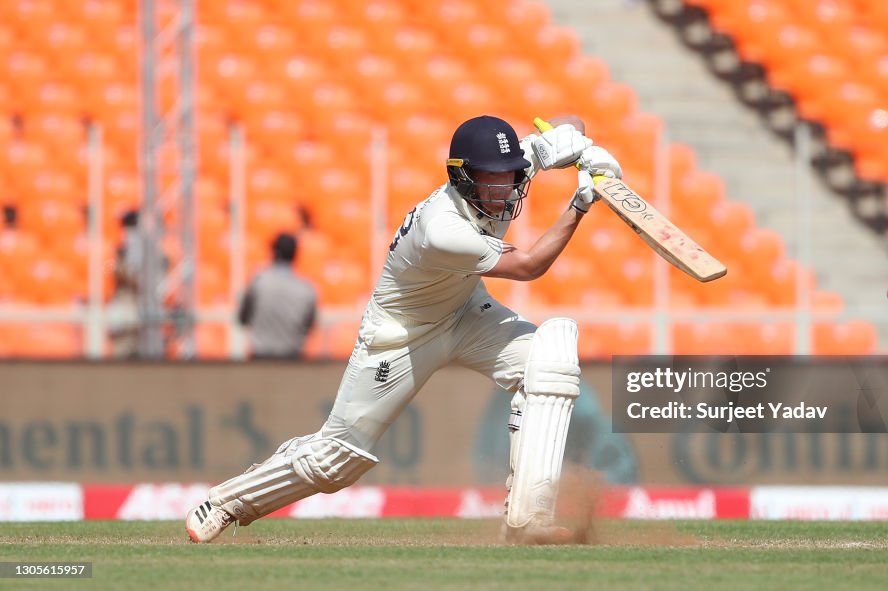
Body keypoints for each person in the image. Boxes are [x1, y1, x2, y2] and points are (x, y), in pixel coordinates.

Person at [186, 114, 622, 544]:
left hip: (465, 310)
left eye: (512, 177)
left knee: (550, 357)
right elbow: (528, 266)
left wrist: (578, 147)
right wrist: (581, 201)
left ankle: (527, 522)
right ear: (464, 177)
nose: (505, 188)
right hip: (401, 334)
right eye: (492, 179)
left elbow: (574, 121)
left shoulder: (502, 172)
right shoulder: (442, 228)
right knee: (335, 461)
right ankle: (226, 501)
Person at [238, 232, 318, 359]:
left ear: (273, 252)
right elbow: (310, 325)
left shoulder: (258, 281)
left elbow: (242, 318)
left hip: (260, 357)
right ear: (295, 254)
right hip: (292, 359)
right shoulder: (306, 288)